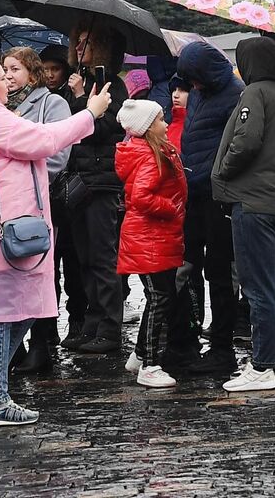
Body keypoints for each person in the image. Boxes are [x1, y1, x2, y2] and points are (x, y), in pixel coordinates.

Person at [0, 55, 109, 428]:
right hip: (3, 226)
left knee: (24, 307)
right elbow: (44, 141)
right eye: (2, 76)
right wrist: (90, 113)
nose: (8, 81)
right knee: (4, 314)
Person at [214, 38, 275, 393]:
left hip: (254, 202)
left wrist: (222, 170)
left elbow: (246, 141)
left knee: (258, 286)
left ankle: (262, 365)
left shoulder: (256, 94)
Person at [170, 40, 243, 376]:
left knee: (219, 273)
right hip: (194, 194)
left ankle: (222, 347)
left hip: (219, 196)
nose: (191, 86)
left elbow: (236, 145)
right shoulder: (201, 91)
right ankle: (185, 340)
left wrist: (216, 176)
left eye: (194, 78)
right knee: (186, 266)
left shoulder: (236, 94)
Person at [59, 20, 129, 356]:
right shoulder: (81, 81)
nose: (79, 47)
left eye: (87, 41)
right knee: (84, 257)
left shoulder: (112, 85)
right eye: (78, 40)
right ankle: (91, 323)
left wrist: (79, 99)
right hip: (80, 178)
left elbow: (101, 129)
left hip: (102, 181)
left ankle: (110, 328)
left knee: (103, 257)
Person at [5, 47, 72, 375]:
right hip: (6, 206)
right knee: (13, 276)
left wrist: (15, 169)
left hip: (38, 203)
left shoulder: (52, 104)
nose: (7, 75)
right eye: (5, 69)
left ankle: (42, 343)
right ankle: (15, 345)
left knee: (41, 274)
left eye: (14, 69)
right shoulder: (2, 107)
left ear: (32, 73)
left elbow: (58, 157)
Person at [115, 97, 185, 389]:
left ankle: (140, 353)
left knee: (161, 296)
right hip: (149, 237)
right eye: (159, 120)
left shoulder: (151, 151)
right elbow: (142, 197)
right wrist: (172, 207)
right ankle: (150, 364)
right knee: (159, 298)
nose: (166, 123)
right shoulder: (148, 156)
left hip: (155, 236)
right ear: (146, 128)